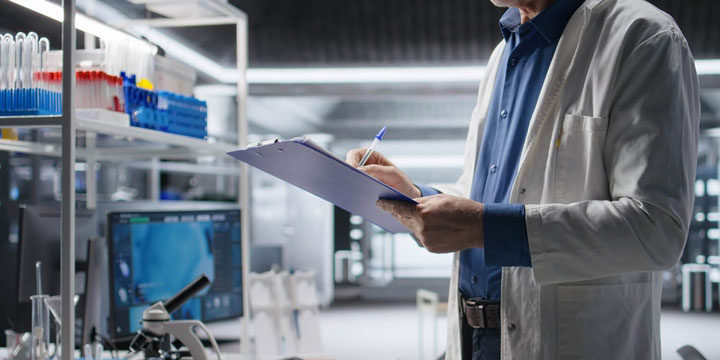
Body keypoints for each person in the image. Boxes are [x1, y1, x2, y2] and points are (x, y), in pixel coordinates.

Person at [345, 0, 700, 358]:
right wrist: (416, 195)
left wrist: (487, 228)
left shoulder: (643, 35)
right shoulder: (502, 55)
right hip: (473, 339)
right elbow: (481, 194)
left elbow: (657, 229)